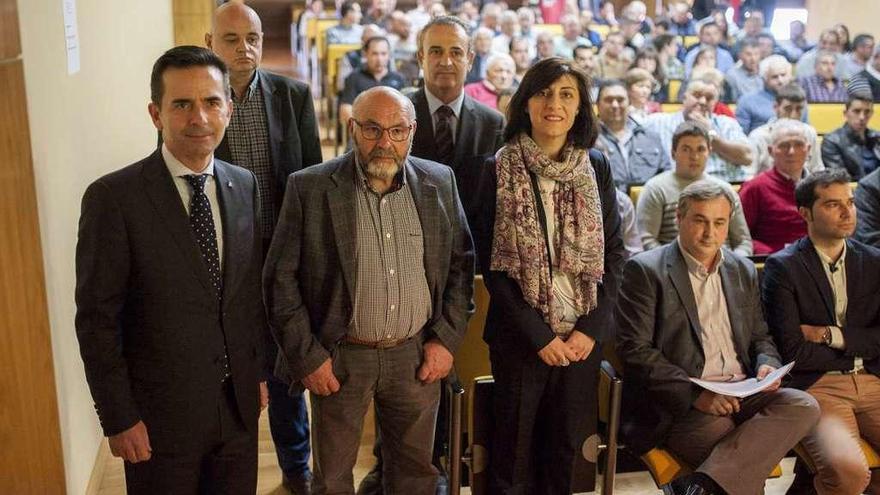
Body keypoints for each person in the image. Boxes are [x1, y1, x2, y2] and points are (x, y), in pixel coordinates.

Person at [75, 46, 269, 494]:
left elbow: (245, 296)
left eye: (211, 102)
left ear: (229, 109)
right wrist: (119, 417)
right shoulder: (114, 199)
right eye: (181, 104)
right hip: (158, 422)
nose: (198, 117)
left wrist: (255, 373)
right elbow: (97, 321)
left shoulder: (244, 186)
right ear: (156, 114)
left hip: (237, 410)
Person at [263, 86, 474, 495]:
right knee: (334, 477)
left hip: (416, 355)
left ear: (412, 132)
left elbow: (461, 267)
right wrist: (309, 357)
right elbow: (280, 281)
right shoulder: (310, 187)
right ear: (352, 128)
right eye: (373, 129)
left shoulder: (438, 181)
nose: (385, 143)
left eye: (397, 131)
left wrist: (446, 340)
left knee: (414, 473)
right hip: (340, 360)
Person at [471, 56, 625, 495]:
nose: (553, 103)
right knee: (512, 457)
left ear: (580, 108)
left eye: (566, 94)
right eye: (542, 92)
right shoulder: (496, 168)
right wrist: (539, 336)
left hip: (581, 339)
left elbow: (615, 253)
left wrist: (590, 331)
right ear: (525, 103)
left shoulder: (597, 167)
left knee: (566, 455)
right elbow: (491, 266)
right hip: (521, 340)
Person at [617, 178, 820, 495]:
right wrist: (695, 395)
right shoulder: (645, 270)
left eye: (719, 222)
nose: (710, 232)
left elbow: (760, 336)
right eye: (699, 220)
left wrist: (767, 364)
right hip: (685, 403)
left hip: (744, 390)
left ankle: (697, 486)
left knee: (803, 404)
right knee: (740, 476)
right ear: (679, 219)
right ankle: (706, 485)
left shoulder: (741, 268)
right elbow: (635, 351)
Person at [204, 5, 323, 493]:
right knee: (230, 370)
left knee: (286, 368)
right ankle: (231, 470)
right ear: (210, 42)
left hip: (284, 257)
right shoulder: (201, 101)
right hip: (226, 262)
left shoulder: (292, 95)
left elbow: (315, 180)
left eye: (251, 38)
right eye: (231, 39)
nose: (243, 48)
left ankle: (296, 469)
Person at [762, 168, 880, 495]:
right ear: (805, 213)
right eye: (832, 204)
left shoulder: (874, 261)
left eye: (851, 202)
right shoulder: (782, 267)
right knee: (849, 473)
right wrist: (859, 344)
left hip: (873, 379)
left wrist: (831, 335)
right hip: (819, 386)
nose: (847, 212)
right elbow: (793, 350)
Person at [410, 15, 504, 227]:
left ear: (470, 60)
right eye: (436, 51)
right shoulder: (397, 117)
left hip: (472, 246)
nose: (446, 62)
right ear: (420, 57)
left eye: (456, 52)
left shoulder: (494, 124)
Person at [636, 121, 752, 255]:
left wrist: (731, 265)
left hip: (722, 265)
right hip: (671, 266)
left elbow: (743, 242)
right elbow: (646, 240)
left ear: (709, 152)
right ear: (673, 153)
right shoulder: (655, 189)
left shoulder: (725, 191)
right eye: (686, 149)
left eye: (701, 149)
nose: (694, 157)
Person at [645, 80, 752, 182]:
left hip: (725, 186)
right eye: (697, 96)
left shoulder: (726, 124)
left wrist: (711, 135)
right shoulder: (659, 122)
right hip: (678, 188)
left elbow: (747, 158)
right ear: (684, 97)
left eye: (709, 98)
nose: (702, 101)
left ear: (715, 103)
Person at [739, 120, 811, 254]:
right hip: (770, 263)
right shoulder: (754, 188)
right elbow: (740, 237)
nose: (791, 151)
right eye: (784, 145)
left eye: (798, 144)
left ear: (809, 149)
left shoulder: (820, 187)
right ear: (771, 151)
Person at [594, 79, 669, 192]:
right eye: (608, 100)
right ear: (598, 105)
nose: (615, 105)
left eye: (620, 100)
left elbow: (666, 175)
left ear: (629, 103)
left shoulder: (651, 138)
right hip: (606, 206)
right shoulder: (587, 140)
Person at [747, 83, 823, 177]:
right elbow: (749, 175)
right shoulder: (758, 137)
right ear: (776, 107)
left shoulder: (810, 133)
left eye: (799, 109)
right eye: (788, 109)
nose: (793, 115)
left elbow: (817, 170)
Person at [339, 36, 406, 125]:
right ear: (366, 54)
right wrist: (361, 128)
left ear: (389, 55)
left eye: (383, 54)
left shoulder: (398, 78)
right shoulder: (354, 77)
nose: (379, 59)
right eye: (375, 54)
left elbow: (406, 109)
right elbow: (345, 108)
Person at [736, 55, 805, 135]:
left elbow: (805, 129)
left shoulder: (799, 98)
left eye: (783, 75)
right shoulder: (747, 101)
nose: (780, 81)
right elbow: (741, 136)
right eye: (774, 77)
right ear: (764, 79)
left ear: (790, 76)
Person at [822, 94, 880, 180]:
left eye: (867, 112)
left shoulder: (877, 137)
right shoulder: (831, 141)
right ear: (845, 113)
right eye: (857, 111)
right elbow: (840, 179)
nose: (862, 117)